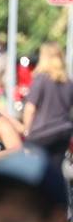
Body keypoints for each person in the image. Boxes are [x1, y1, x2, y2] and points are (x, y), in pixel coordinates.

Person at [22, 42, 73, 170]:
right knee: (55, 170)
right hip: (63, 131)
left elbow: (30, 108)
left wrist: (27, 131)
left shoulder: (41, 79)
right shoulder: (68, 81)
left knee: (36, 171)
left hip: (42, 133)